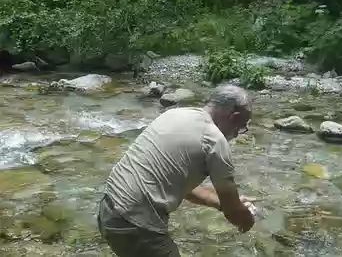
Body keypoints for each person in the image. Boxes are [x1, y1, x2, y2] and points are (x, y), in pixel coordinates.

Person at [97, 84, 256, 257]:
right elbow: (234, 214)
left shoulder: (175, 114)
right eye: (242, 127)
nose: (238, 134)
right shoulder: (214, 141)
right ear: (234, 117)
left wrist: (221, 202)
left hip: (109, 210)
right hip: (136, 224)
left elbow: (173, 182)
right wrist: (246, 218)